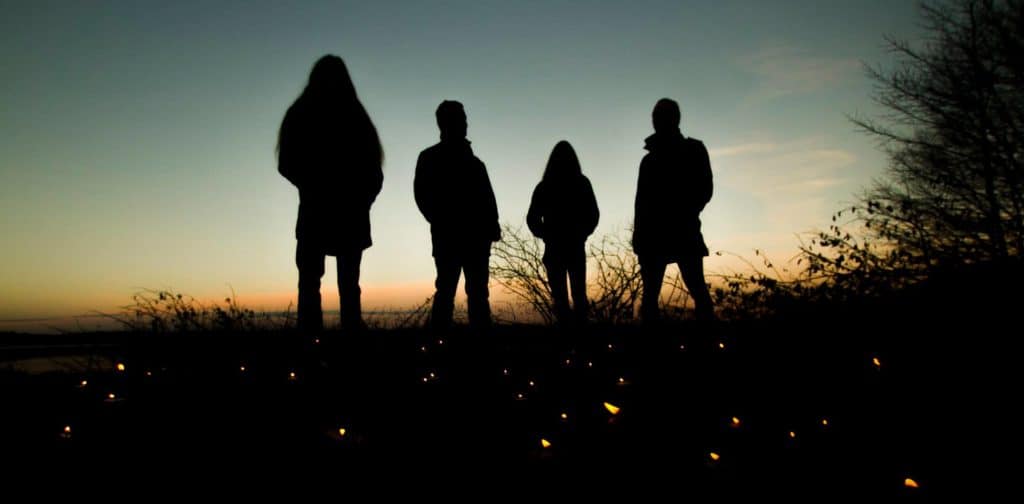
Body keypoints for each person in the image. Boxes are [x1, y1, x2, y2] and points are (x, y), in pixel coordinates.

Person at [277, 55, 383, 333]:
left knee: (315, 282)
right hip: (340, 212)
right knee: (340, 283)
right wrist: (361, 198)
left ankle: (315, 338)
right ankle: (344, 338)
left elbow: (286, 163)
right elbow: (374, 170)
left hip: (324, 211)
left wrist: (314, 187)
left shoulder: (303, 113)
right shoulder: (355, 117)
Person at [414, 100, 500, 330]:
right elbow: (422, 196)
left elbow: (488, 199)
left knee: (477, 293)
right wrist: (442, 219)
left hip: (476, 238)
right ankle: (441, 342)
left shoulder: (475, 164)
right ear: (445, 123)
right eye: (461, 119)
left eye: (464, 119)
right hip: (448, 237)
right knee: (447, 291)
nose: (465, 124)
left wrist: (492, 226)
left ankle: (478, 342)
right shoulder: (430, 158)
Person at [632, 98, 715, 323]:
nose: (657, 121)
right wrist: (639, 236)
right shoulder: (649, 161)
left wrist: (684, 212)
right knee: (650, 299)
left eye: (661, 117)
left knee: (697, 291)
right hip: (656, 236)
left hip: (682, 231)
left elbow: (704, 190)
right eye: (656, 117)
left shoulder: (694, 150)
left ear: (675, 119)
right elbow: (641, 203)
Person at [527, 141, 599, 326]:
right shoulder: (581, 183)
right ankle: (577, 334)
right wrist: (581, 233)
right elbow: (593, 214)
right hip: (571, 247)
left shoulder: (545, 186)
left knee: (563, 298)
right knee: (576, 296)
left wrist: (547, 234)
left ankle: (567, 334)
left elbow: (532, 219)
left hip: (560, 248)